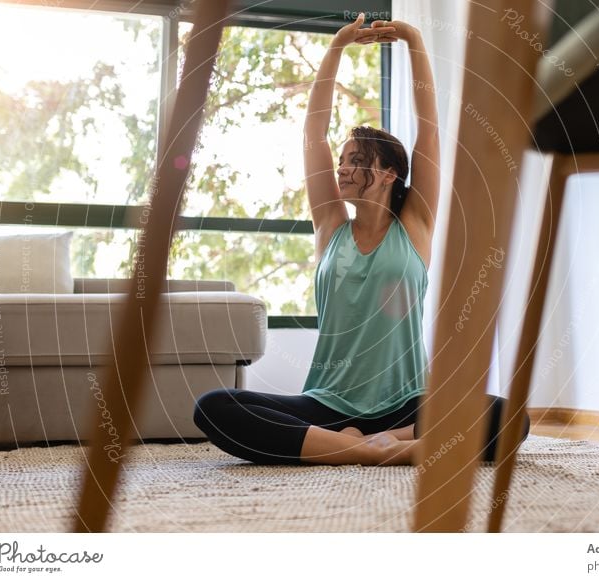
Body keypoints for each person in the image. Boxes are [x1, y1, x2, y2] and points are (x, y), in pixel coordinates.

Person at [194, 13, 530, 466]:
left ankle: (386, 440)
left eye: (355, 160)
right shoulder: (331, 227)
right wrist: (337, 47)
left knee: (509, 417)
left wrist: (412, 38)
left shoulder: (415, 226)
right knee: (213, 408)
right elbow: (314, 132)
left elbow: (428, 130)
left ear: (389, 171)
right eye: (343, 160)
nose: (342, 169)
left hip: (408, 404)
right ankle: (374, 450)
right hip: (328, 404)